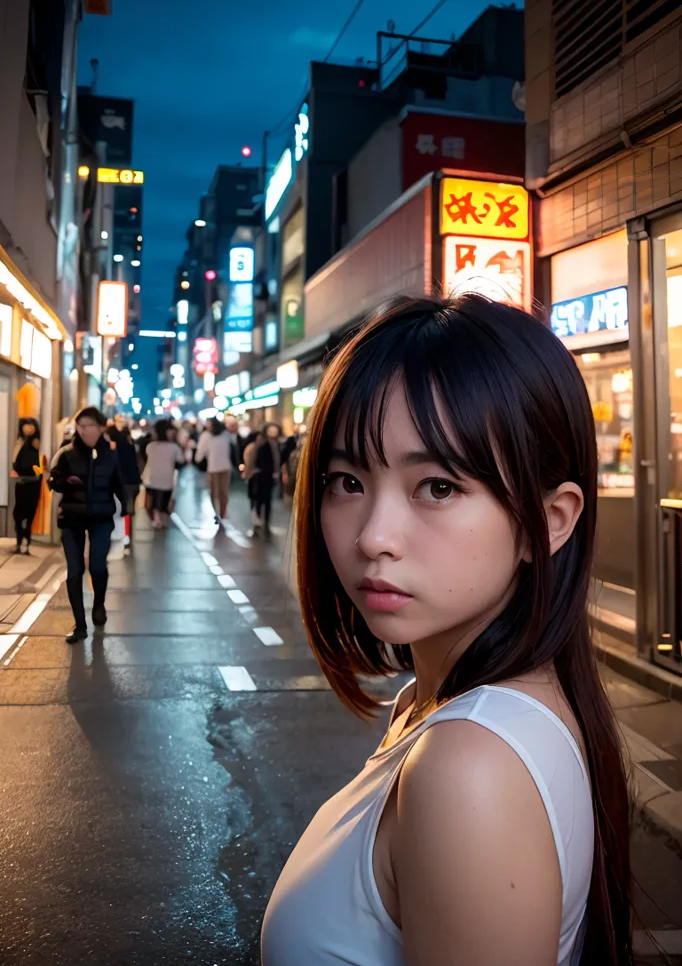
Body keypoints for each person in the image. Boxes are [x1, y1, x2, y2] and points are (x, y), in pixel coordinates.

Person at [261, 296, 632, 966]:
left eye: (436, 487)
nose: (374, 535)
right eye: (347, 480)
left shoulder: (469, 766)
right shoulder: (445, 708)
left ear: (549, 521)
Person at [48, 406, 125, 645]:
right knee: (74, 571)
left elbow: (120, 484)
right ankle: (80, 625)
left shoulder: (111, 455)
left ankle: (99, 604)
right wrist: (60, 481)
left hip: (101, 517)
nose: (84, 430)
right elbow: (54, 480)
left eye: (89, 425)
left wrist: (127, 506)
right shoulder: (66, 453)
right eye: (80, 426)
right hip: (71, 518)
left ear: (100, 427)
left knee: (98, 566)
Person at [142, 419, 184, 528]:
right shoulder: (174, 448)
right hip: (167, 479)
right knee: (163, 501)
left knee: (153, 501)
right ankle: (161, 518)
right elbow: (181, 461)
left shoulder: (150, 446)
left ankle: (156, 519)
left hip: (151, 478)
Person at [243, 423, 281, 538]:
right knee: (261, 499)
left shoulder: (272, 444)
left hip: (263, 475)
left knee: (262, 499)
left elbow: (275, 459)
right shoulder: (264, 443)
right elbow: (254, 457)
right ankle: (260, 521)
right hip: (261, 474)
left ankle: (261, 522)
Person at [11, 418, 42, 555]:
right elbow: (15, 461)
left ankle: (26, 542)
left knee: (30, 514)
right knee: (18, 513)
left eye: (31, 426)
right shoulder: (19, 442)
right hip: (21, 482)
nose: (28, 429)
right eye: (26, 426)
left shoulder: (36, 443)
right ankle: (19, 541)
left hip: (33, 483)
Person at [195, 416, 233, 522]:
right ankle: (223, 513)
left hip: (213, 468)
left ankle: (217, 513)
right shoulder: (226, 434)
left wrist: (198, 460)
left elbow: (200, 453)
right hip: (226, 467)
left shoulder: (206, 436)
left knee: (213, 492)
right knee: (224, 492)